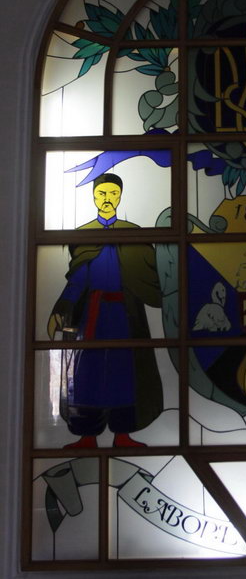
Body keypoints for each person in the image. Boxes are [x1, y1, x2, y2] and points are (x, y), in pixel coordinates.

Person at [47, 173, 163, 448]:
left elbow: (149, 277)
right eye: (101, 193)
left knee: (126, 374)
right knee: (87, 375)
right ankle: (87, 436)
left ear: (120, 196)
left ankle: (123, 435)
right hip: (92, 318)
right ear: (93, 196)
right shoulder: (85, 234)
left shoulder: (133, 233)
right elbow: (78, 278)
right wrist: (62, 308)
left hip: (125, 317)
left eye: (113, 193)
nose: (107, 199)